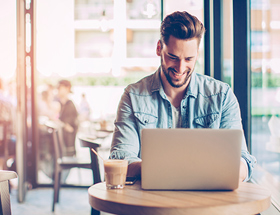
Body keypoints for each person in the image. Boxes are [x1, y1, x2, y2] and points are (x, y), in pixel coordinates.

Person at [109, 11, 256, 182]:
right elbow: (121, 160)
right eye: (173, 57)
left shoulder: (222, 96)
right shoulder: (133, 97)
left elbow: (243, 160)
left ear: (197, 55)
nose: (180, 68)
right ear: (159, 48)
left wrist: (233, 170)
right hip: (151, 204)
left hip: (209, 205)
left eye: (188, 59)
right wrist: (187, 170)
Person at [56, 80, 79, 156]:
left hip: (67, 146)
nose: (58, 90)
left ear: (67, 89)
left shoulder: (70, 105)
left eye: (60, 88)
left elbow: (70, 128)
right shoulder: (58, 103)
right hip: (59, 146)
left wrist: (63, 124)